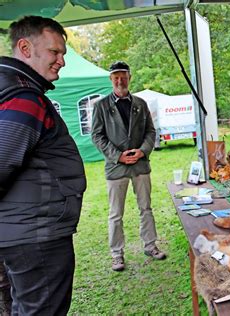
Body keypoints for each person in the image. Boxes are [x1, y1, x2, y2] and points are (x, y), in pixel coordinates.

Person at [0, 16, 86, 315]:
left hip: (21, 229)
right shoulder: (23, 96)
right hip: (35, 236)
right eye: (54, 52)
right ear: (25, 47)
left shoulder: (11, 87)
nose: (62, 61)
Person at [92, 61, 166, 272]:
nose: (120, 80)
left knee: (146, 208)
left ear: (129, 77)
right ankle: (117, 255)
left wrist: (142, 150)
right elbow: (97, 135)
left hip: (140, 165)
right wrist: (118, 156)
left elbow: (151, 131)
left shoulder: (141, 104)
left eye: (123, 76)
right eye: (116, 76)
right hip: (116, 168)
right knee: (116, 214)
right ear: (111, 79)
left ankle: (150, 246)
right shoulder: (101, 106)